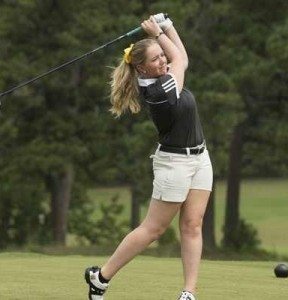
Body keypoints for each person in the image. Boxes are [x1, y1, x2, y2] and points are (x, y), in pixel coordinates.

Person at [84, 14, 213, 300]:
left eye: (161, 57)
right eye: (156, 59)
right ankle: (100, 277)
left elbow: (180, 58)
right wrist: (158, 34)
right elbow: (179, 59)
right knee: (153, 229)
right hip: (174, 164)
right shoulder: (156, 90)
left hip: (200, 158)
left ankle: (189, 292)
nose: (163, 60)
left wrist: (166, 26)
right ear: (141, 68)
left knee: (193, 225)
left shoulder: (164, 75)